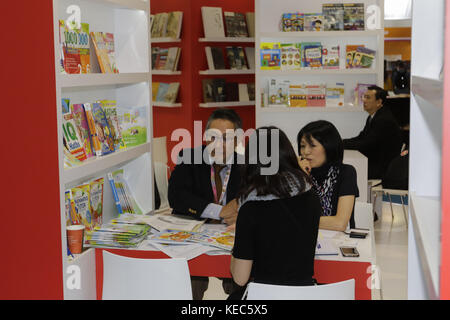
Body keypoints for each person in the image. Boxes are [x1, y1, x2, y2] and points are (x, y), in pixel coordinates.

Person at [229, 127, 322, 299]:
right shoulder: (310, 193)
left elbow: (240, 278)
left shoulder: (251, 207)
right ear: (287, 154)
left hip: (263, 296)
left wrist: (238, 245)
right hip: (305, 294)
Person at [168, 108, 243, 300]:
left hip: (232, 237)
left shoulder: (249, 165)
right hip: (195, 237)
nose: (219, 144)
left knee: (242, 278)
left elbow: (258, 199)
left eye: (226, 138)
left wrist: (241, 213)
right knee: (188, 282)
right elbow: (177, 197)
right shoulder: (189, 157)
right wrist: (219, 211)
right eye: (213, 137)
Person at [297, 120, 359, 231]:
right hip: (306, 240)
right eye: (302, 146)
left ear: (329, 146)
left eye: (312, 145)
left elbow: (339, 223)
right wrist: (299, 176)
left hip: (338, 243)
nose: (305, 151)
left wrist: (299, 220)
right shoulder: (297, 174)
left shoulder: (346, 172)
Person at [343, 85, 402, 180]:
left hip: (382, 167)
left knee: (348, 171)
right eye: (364, 97)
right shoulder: (373, 117)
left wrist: (342, 144)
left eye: (368, 97)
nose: (364, 100)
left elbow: (367, 144)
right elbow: (361, 137)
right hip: (375, 161)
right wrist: (342, 142)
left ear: (379, 102)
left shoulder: (383, 119)